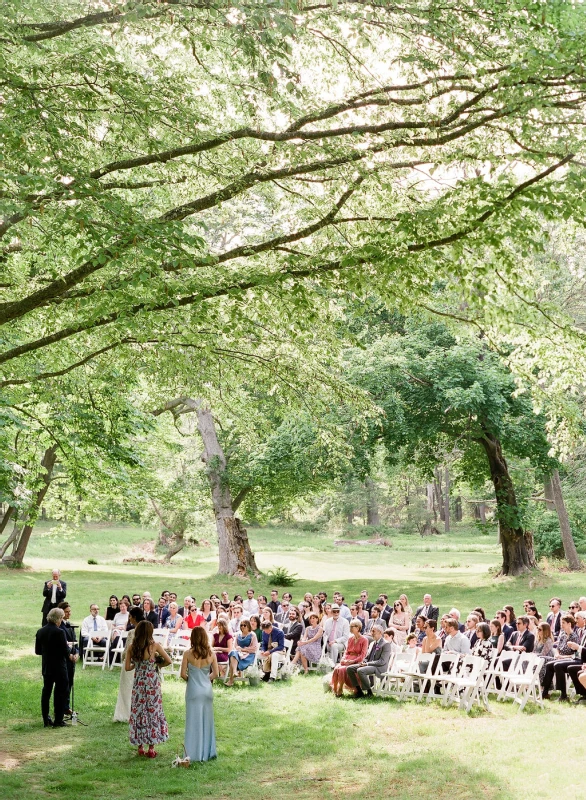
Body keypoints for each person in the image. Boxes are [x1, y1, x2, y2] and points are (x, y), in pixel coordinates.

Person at [125, 620, 172, 758]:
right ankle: (151, 747)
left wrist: (137, 666)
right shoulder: (154, 646)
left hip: (139, 683)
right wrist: (157, 664)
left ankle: (140, 746)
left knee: (139, 711)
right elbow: (168, 660)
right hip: (152, 683)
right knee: (153, 711)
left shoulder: (132, 647)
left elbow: (127, 667)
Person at [180, 627, 218, 761]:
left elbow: (183, 674)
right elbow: (216, 674)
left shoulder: (187, 654)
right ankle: (207, 752)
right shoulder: (211, 654)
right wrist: (205, 680)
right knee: (207, 721)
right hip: (207, 690)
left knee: (193, 721)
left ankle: (193, 752)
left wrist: (193, 680)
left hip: (193, 690)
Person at [35, 607, 70, 728]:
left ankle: (46, 719)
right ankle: (58, 720)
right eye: (61, 618)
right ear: (58, 619)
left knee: (46, 692)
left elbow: (38, 651)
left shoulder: (40, 631)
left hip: (47, 666)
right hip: (59, 667)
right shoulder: (60, 632)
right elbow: (66, 651)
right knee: (60, 692)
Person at [113, 607, 144, 722]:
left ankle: (127, 713)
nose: (129, 619)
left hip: (131, 664)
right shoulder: (143, 630)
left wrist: (124, 658)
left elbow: (126, 651)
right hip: (139, 664)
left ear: (134, 617)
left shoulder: (132, 632)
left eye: (130, 616)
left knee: (127, 688)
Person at [346, 626, 392, 697]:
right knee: (349, 668)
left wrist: (367, 664)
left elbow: (382, 661)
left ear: (380, 632)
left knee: (361, 670)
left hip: (379, 667)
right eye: (371, 631)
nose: (372, 633)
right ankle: (359, 691)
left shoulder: (386, 644)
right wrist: (363, 662)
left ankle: (369, 692)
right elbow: (367, 657)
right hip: (369, 665)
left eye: (374, 631)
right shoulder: (372, 643)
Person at [331, 620, 368, 696]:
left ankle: (340, 689)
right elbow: (346, 651)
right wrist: (343, 659)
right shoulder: (350, 639)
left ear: (358, 628)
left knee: (342, 669)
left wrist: (352, 661)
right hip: (348, 659)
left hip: (357, 661)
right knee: (336, 668)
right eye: (350, 626)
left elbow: (362, 655)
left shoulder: (364, 640)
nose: (350, 628)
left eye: (352, 627)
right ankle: (335, 688)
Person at [58, 601, 79, 717]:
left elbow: (75, 642)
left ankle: (67, 706)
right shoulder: (60, 626)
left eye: (70, 611)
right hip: (65, 659)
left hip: (72, 658)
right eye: (66, 612)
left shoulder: (70, 625)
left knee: (70, 683)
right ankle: (61, 707)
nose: (69, 614)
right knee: (64, 684)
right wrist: (69, 655)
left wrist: (76, 653)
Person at [225, 619, 258, 685]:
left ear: (248, 626)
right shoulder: (238, 635)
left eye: (244, 625)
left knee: (233, 657)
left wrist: (243, 650)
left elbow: (254, 648)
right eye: (241, 625)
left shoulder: (252, 635)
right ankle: (235, 671)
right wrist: (238, 649)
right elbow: (235, 645)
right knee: (233, 653)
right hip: (238, 654)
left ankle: (231, 681)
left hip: (248, 655)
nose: (242, 626)